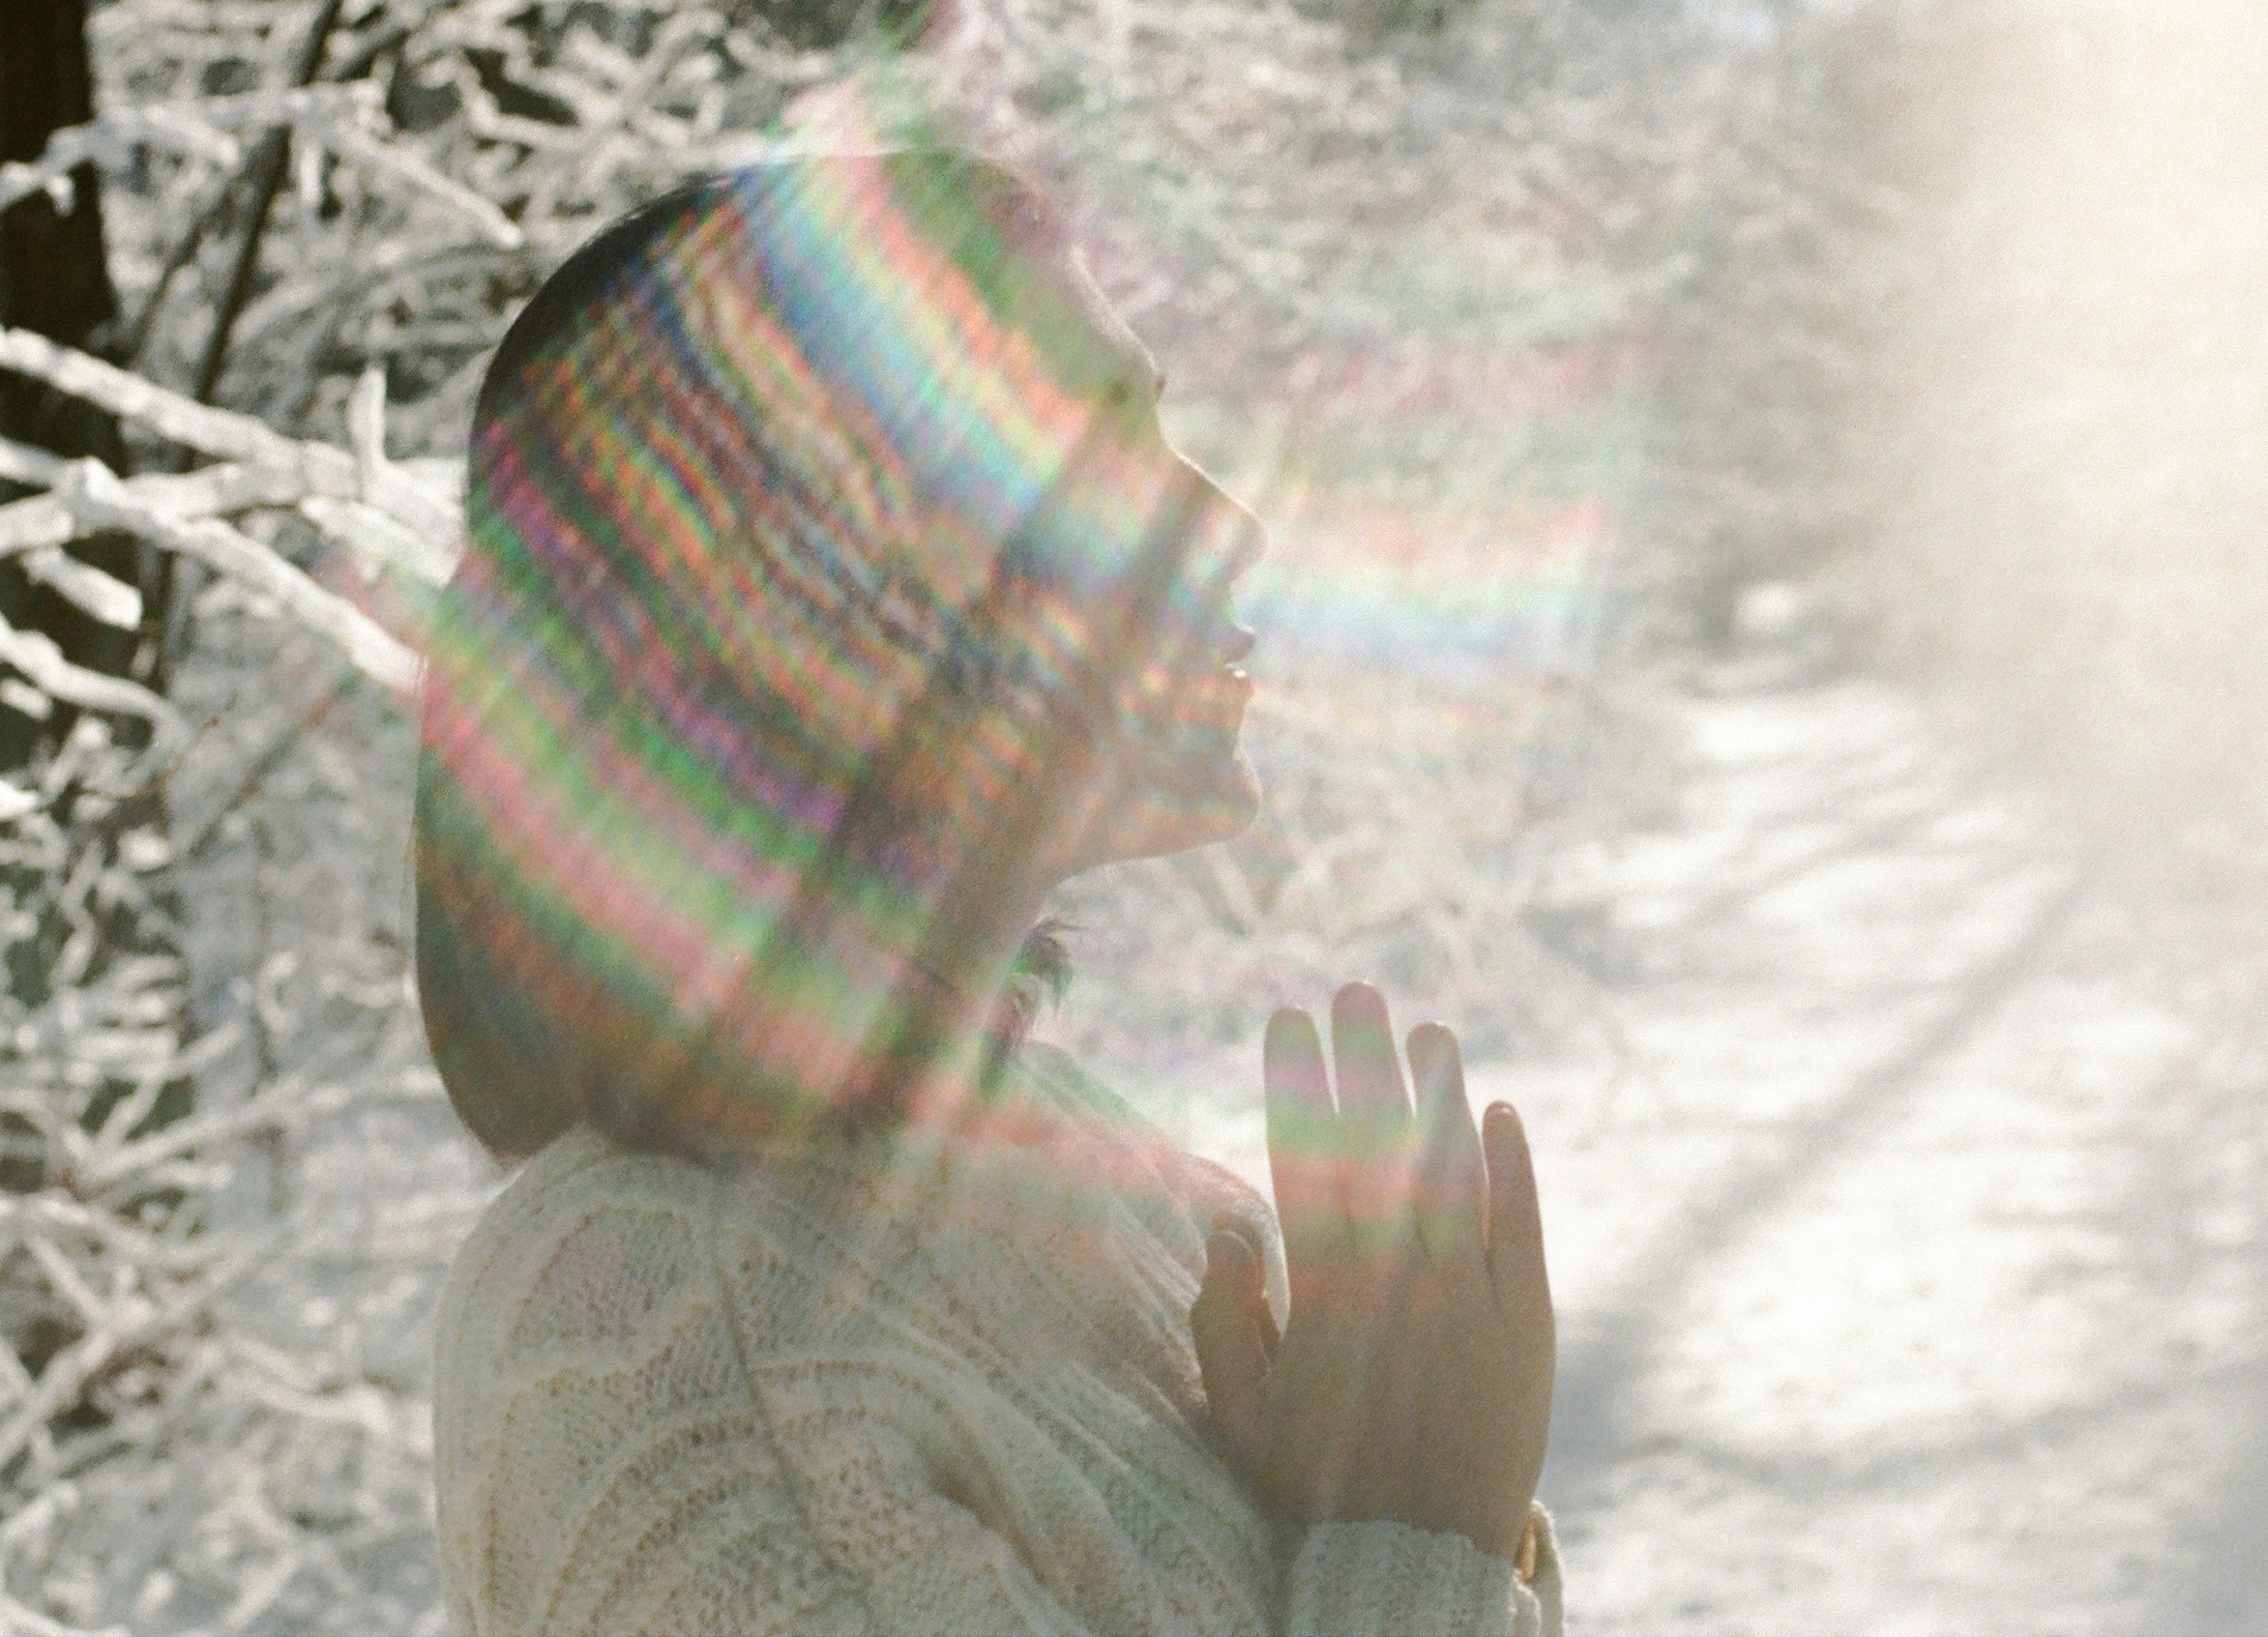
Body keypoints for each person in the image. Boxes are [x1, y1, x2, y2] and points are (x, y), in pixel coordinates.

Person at [415, 152, 1562, 1636]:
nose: (1225, 523)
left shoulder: (1068, 1173)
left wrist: (1344, 1517)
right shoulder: (670, 1346)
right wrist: (1424, 1534)